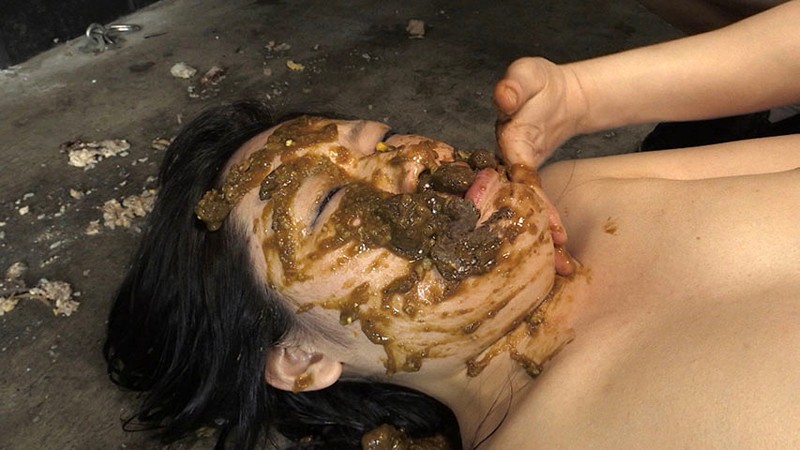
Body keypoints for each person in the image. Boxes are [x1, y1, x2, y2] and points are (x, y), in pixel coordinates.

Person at [105, 4, 800, 449]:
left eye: (383, 139)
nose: (411, 164)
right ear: (303, 359)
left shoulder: (578, 193)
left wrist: (586, 95)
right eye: (332, 203)